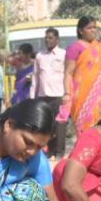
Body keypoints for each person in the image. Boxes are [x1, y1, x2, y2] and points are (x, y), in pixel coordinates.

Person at [65, 17, 101, 136]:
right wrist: (67, 94)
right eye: (89, 28)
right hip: (82, 95)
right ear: (81, 31)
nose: (93, 30)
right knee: (85, 131)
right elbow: (68, 73)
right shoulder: (74, 47)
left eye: (94, 27)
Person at [32, 27, 69, 157]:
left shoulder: (64, 54)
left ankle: (59, 152)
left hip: (59, 96)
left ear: (57, 39)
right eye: (46, 38)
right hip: (43, 96)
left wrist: (67, 93)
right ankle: (50, 151)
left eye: (51, 38)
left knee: (60, 125)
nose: (48, 40)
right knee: (47, 124)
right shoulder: (39, 56)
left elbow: (68, 74)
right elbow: (35, 77)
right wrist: (32, 97)